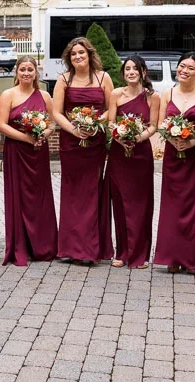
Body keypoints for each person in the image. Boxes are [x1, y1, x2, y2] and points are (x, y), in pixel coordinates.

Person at [153, 52, 195, 274]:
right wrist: (172, 139)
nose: (184, 71)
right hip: (174, 156)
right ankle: (172, 256)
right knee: (172, 206)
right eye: (182, 66)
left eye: (191, 68)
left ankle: (191, 258)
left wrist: (193, 142)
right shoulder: (167, 92)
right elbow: (161, 123)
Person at [52, 37, 115, 263]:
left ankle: (91, 249)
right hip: (71, 144)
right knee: (72, 193)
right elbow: (56, 112)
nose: (78, 57)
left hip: (95, 143)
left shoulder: (103, 77)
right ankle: (71, 248)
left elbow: (111, 109)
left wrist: (95, 123)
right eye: (73, 54)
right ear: (69, 58)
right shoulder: (63, 80)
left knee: (92, 192)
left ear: (90, 55)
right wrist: (74, 129)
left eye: (82, 53)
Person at [0, 56, 58, 266]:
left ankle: (42, 245)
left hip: (38, 152)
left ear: (35, 73)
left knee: (38, 197)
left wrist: (43, 134)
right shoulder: (8, 95)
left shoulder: (45, 95)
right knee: (18, 196)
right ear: (16, 72)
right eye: (22, 69)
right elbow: (1, 125)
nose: (26, 73)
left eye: (30, 69)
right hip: (16, 150)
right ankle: (21, 245)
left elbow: (51, 124)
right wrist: (26, 137)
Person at [104, 55, 159, 269]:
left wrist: (137, 138)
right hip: (119, 154)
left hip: (141, 153)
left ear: (143, 72)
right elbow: (110, 122)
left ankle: (141, 254)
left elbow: (153, 125)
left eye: (135, 68)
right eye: (127, 69)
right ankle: (122, 251)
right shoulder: (116, 94)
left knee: (141, 204)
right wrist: (118, 137)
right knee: (120, 203)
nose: (131, 72)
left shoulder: (152, 97)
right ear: (123, 73)